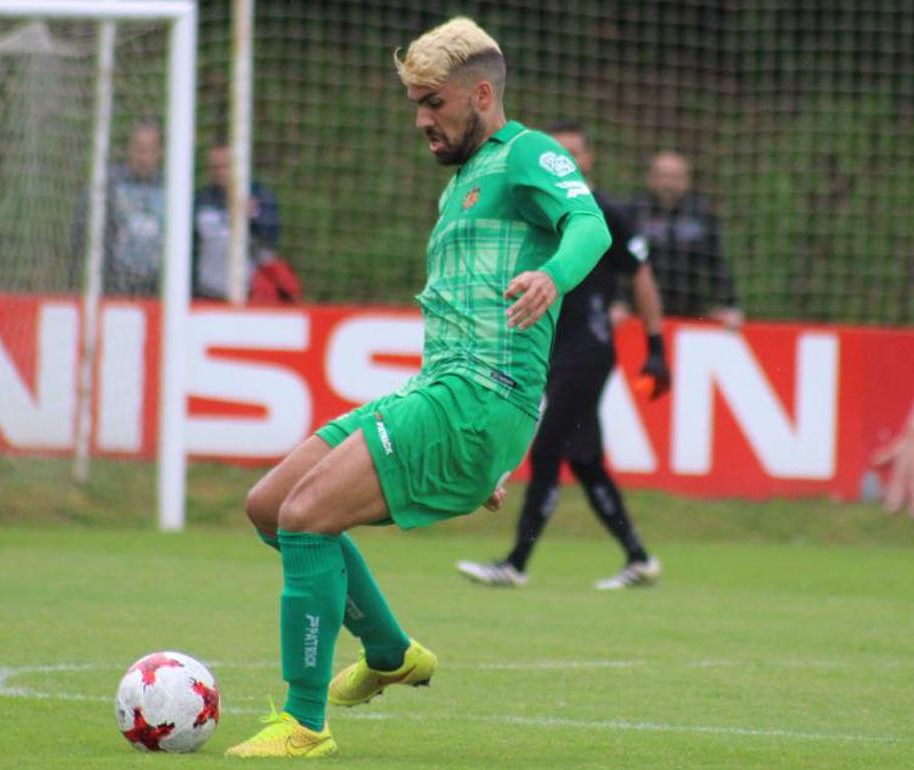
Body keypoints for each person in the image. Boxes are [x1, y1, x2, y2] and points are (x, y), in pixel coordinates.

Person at [225, 17, 612, 758]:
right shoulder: (464, 182)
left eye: (433, 102)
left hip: (478, 397)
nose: (421, 120)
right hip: (447, 394)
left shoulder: (526, 153)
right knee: (271, 508)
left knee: (308, 519)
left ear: (483, 94)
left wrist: (551, 275)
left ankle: (303, 726)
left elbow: (588, 223)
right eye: (415, 104)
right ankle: (391, 653)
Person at [455, 121, 669, 591]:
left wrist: (656, 346)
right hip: (551, 349)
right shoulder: (535, 210)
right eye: (559, 152)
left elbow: (641, 277)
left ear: (588, 159)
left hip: (587, 351)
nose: (568, 159)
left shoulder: (604, 213)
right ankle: (639, 558)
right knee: (586, 458)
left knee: (549, 449)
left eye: (575, 151)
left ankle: (515, 563)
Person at [626, 150, 743, 328]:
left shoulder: (701, 214)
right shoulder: (635, 212)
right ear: (651, 178)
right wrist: (618, 301)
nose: (668, 184)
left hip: (690, 314)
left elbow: (717, 264)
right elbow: (619, 262)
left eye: (675, 177)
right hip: (640, 315)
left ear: (686, 180)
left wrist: (730, 305)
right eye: (663, 176)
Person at [71, 121, 164, 297]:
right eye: (139, 149)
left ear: (159, 152)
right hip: (115, 285)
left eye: (150, 149)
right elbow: (80, 230)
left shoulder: (171, 189)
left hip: (156, 287)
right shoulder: (108, 184)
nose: (144, 157)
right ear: (129, 150)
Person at [193, 142, 285, 301]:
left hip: (249, 294)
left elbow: (272, 238)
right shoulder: (201, 200)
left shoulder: (260, 197)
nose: (220, 172)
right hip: (206, 293)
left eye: (225, 166)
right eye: (215, 167)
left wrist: (254, 214)